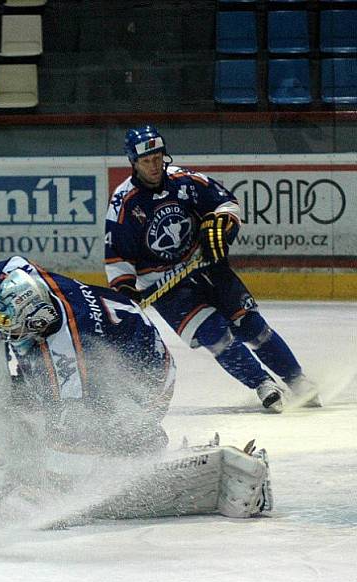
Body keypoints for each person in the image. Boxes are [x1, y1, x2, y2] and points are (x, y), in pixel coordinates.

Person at [104, 125, 321, 413]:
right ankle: (262, 384)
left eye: (158, 158)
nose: (155, 166)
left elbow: (227, 203)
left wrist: (222, 223)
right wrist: (125, 287)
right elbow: (117, 255)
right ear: (133, 162)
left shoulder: (186, 181)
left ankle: (296, 379)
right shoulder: (123, 203)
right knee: (216, 337)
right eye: (147, 161)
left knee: (252, 327)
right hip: (167, 289)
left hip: (208, 267)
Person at [0, 255, 177, 502]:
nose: (7, 332)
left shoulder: (70, 361)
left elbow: (67, 430)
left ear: (37, 321)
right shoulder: (23, 277)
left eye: (13, 326)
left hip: (150, 383)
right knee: (55, 396)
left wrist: (53, 487)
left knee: (91, 425)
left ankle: (144, 441)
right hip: (116, 341)